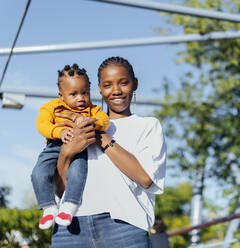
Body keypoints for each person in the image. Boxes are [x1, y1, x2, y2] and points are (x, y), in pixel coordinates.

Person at [51, 56, 167, 247]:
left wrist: (101, 136)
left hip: (124, 227)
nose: (116, 91)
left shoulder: (148, 126)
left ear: (135, 83)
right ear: (99, 88)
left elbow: (146, 179)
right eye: (107, 85)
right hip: (71, 228)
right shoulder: (74, 126)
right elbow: (59, 190)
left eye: (123, 83)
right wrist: (66, 153)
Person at [31, 64, 110, 229]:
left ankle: (70, 205)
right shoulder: (52, 106)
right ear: (61, 95)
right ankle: (48, 207)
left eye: (85, 93)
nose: (80, 98)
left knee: (78, 172)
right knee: (38, 173)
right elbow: (41, 124)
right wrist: (57, 132)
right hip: (53, 146)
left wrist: (92, 123)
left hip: (80, 147)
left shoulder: (92, 110)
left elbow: (105, 121)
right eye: (73, 94)